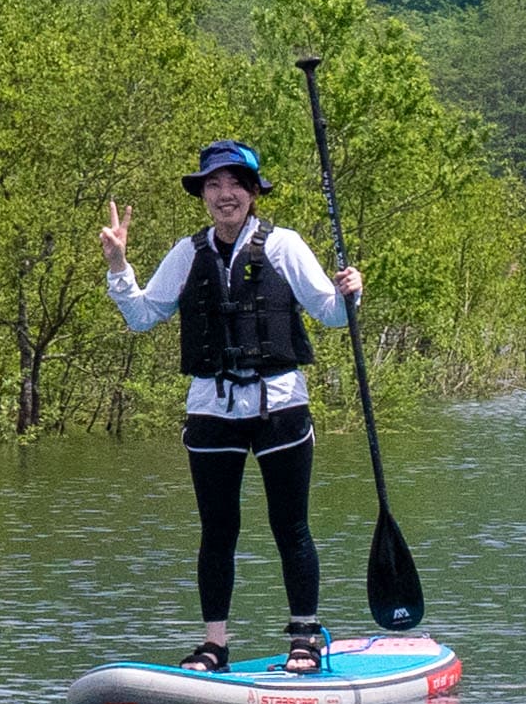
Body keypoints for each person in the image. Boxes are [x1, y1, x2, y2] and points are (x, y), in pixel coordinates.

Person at [103, 142, 361, 675]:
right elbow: (142, 316)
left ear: (253, 192)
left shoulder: (285, 246)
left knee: (290, 526)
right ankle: (214, 646)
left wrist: (351, 293)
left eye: (235, 185)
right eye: (214, 186)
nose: (226, 195)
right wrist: (118, 266)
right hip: (211, 406)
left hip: (281, 405)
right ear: (203, 195)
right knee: (217, 529)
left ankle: (305, 639)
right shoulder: (188, 251)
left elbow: (331, 315)